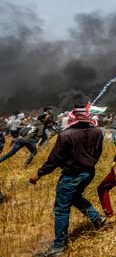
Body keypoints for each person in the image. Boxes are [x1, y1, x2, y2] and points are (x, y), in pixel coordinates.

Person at [29, 104, 107, 257]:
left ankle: (59, 247)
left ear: (73, 118)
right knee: (75, 197)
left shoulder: (66, 135)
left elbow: (54, 160)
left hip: (71, 175)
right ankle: (97, 218)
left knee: (61, 209)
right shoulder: (98, 132)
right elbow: (98, 152)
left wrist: (39, 174)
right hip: (89, 173)